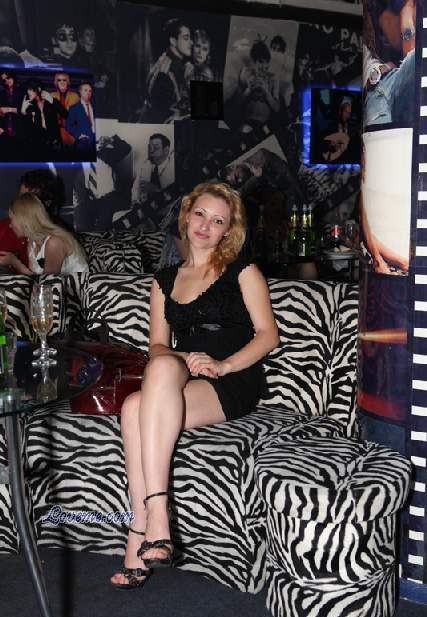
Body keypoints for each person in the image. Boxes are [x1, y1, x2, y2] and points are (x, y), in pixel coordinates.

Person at [110, 181, 279, 589]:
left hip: (231, 379)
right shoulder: (164, 279)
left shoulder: (242, 272)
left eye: (218, 221)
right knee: (150, 380)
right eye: (200, 214)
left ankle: (142, 529)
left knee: (136, 406)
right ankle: (153, 518)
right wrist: (184, 358)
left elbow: (268, 335)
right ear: (186, 216)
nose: (205, 225)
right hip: (184, 374)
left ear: (228, 231)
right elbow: (157, 344)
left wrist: (223, 364)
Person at [0, 192, 87, 274]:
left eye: (11, 220)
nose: (10, 225)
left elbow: (47, 281)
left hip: (79, 284)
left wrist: (15, 263)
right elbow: (34, 279)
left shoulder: (54, 243)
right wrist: (14, 262)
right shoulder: (32, 242)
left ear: (24, 220)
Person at [364, 0, 416, 128]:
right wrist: (407, 13)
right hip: (382, 89)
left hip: (389, 86)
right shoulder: (386, 16)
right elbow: (411, 55)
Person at [144, 18, 193, 123]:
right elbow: (160, 116)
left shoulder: (173, 62)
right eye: (186, 38)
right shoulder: (166, 73)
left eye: (190, 38)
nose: (191, 43)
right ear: (173, 41)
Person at [237, 39, 279, 130]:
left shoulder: (273, 79)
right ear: (253, 62)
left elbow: (277, 108)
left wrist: (267, 92)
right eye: (260, 61)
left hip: (265, 124)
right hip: (247, 122)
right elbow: (237, 103)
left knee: (267, 133)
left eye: (266, 62)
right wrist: (248, 90)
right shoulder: (246, 75)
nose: (264, 66)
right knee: (244, 131)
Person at [21, 80, 66, 159]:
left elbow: (65, 114)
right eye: (27, 89)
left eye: (30, 89)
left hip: (54, 139)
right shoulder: (30, 104)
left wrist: (52, 100)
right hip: (38, 141)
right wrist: (23, 111)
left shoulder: (50, 101)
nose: (28, 92)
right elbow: (25, 128)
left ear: (38, 89)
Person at [131, 133, 174, 207]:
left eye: (155, 146)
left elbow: (174, 198)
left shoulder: (173, 168)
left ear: (166, 150)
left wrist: (156, 189)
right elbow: (135, 187)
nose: (151, 150)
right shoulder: (145, 164)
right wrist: (134, 200)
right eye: (150, 146)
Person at [65, 82, 96, 158]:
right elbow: (68, 125)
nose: (88, 93)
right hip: (83, 143)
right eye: (85, 90)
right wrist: (78, 135)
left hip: (95, 141)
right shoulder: (74, 108)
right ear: (80, 92)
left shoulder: (95, 106)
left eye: (90, 91)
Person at [50, 72, 80, 149]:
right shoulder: (51, 96)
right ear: (56, 82)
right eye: (59, 80)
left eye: (64, 80)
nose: (62, 82)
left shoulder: (75, 96)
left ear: (68, 82)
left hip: (70, 133)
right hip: (55, 132)